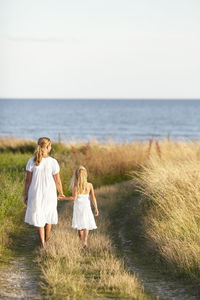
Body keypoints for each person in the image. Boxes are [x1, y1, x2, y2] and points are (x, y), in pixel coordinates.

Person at [24, 137, 64, 248]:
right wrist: (61, 193)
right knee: (48, 217)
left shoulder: (31, 161)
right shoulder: (53, 162)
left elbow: (28, 181)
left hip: (35, 193)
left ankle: (42, 244)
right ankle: (46, 242)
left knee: (39, 217)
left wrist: (25, 195)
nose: (51, 147)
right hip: (50, 193)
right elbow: (58, 181)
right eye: (50, 145)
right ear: (47, 147)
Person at [58, 166, 98, 248]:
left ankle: (82, 242)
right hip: (86, 207)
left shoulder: (76, 186)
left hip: (79, 208)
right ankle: (84, 241)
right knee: (86, 224)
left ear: (76, 176)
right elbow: (93, 197)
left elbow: (73, 198)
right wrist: (96, 208)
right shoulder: (89, 185)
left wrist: (63, 198)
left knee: (80, 226)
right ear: (85, 175)